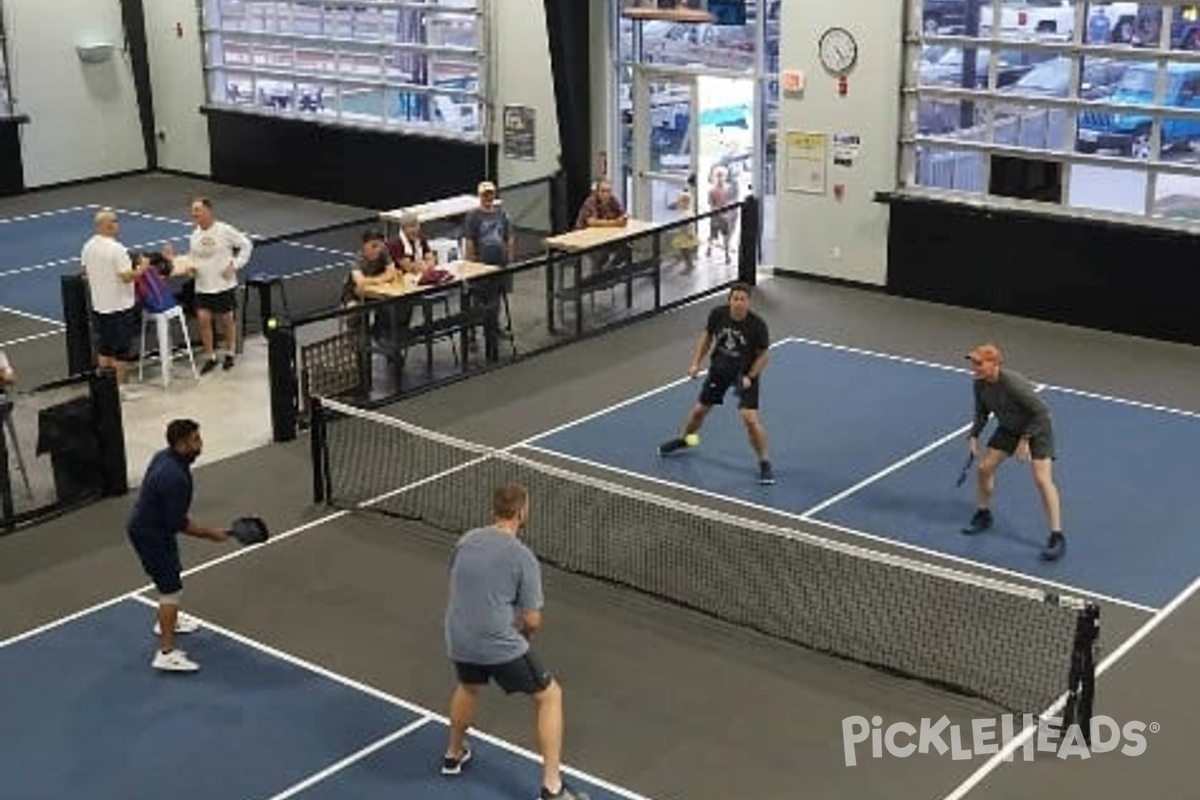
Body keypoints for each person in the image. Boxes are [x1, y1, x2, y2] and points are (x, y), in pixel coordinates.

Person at [441, 484, 588, 800]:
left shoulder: (467, 540)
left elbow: (457, 586)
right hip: (497, 643)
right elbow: (533, 620)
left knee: (468, 686)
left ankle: (453, 754)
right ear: (522, 513)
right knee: (550, 696)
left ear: (495, 509)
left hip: (458, 634)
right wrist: (523, 638)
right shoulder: (523, 557)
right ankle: (552, 788)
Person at [126, 419, 231, 672]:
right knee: (171, 590)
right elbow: (178, 523)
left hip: (151, 527)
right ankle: (166, 652)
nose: (200, 443)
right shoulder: (177, 479)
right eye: (195, 439)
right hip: (151, 534)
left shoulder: (164, 457)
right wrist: (211, 534)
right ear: (181, 444)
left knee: (171, 580)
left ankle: (169, 623)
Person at [657, 283, 774, 484]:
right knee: (699, 412)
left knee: (750, 420)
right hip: (719, 371)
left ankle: (764, 463)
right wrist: (695, 363)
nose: (738, 302)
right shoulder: (717, 315)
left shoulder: (757, 325)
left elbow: (763, 357)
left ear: (748, 302)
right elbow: (707, 338)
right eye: (735, 298)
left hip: (744, 376)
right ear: (729, 300)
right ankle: (687, 440)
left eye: (742, 299)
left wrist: (750, 377)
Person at [961, 343, 1065, 561]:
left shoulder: (1013, 384)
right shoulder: (979, 384)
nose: (975, 367)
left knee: (1041, 479)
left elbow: (1042, 414)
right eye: (973, 362)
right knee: (984, 468)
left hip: (1037, 429)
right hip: (1009, 428)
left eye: (979, 363)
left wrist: (1025, 440)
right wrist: (973, 435)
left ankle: (1057, 536)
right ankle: (983, 514)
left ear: (994, 363)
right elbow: (981, 412)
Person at [163, 197, 253, 373]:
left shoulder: (224, 230)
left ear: (208, 211)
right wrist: (184, 265)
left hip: (223, 285)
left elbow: (246, 245)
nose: (193, 213)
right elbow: (193, 258)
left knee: (227, 321)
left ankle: (229, 353)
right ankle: (210, 357)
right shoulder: (194, 235)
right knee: (204, 321)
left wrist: (234, 265)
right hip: (203, 286)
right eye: (193, 210)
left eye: (197, 210)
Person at [81, 208, 149, 399]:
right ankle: (120, 391)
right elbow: (127, 277)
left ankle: (104, 390)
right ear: (109, 225)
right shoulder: (117, 249)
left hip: (99, 306)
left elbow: (85, 273)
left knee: (104, 348)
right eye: (116, 221)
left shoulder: (87, 246)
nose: (118, 225)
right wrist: (142, 269)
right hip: (119, 307)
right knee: (120, 351)